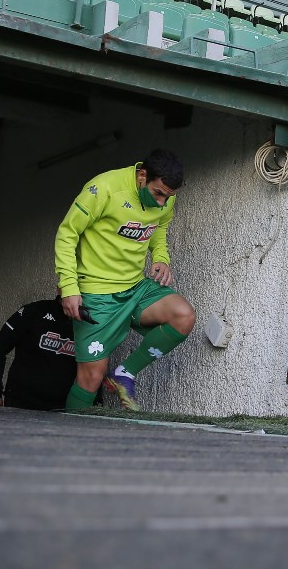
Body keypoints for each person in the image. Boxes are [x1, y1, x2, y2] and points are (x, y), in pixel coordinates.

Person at [55, 148, 196, 412]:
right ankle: (69, 440)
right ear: (142, 176)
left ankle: (125, 373)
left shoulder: (165, 197)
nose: (163, 202)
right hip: (96, 293)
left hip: (134, 288)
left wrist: (161, 257)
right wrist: (69, 287)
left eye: (170, 197)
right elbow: (67, 234)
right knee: (91, 377)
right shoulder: (104, 188)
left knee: (183, 315)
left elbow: (160, 227)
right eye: (159, 194)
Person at [0, 295, 76, 411]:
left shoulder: (88, 322)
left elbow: (94, 367)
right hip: (21, 402)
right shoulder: (34, 311)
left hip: (63, 408)